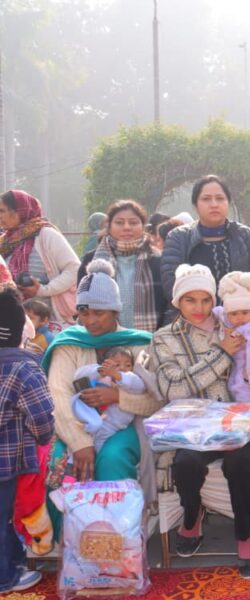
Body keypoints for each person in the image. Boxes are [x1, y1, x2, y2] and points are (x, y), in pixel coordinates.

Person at [151, 263, 250, 578]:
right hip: (193, 429)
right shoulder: (165, 338)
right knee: (186, 463)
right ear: (178, 301)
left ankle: (246, 533)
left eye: (206, 300)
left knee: (240, 461)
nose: (200, 308)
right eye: (190, 300)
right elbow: (173, 389)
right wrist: (222, 354)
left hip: (236, 425)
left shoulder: (234, 322)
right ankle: (192, 517)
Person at [42, 260, 159, 486]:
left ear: (115, 311)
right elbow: (58, 395)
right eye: (83, 313)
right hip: (75, 423)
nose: (90, 321)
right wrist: (80, 443)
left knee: (113, 457)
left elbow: (156, 400)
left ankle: (118, 509)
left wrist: (118, 397)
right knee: (57, 459)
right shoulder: (69, 344)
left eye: (99, 313)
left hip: (124, 425)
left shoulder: (139, 344)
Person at [0, 289, 54, 593]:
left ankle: (10, 565)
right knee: (5, 517)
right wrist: (42, 438)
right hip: (9, 461)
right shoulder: (23, 367)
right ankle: (6, 576)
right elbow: (42, 415)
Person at [161, 175, 250, 312]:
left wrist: (238, 314)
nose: (214, 204)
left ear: (228, 203)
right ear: (195, 205)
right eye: (206, 199)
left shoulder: (245, 235)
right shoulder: (178, 238)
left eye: (220, 198)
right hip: (193, 320)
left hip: (239, 320)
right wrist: (200, 315)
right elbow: (171, 282)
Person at [79, 199, 167, 332]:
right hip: (103, 339)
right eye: (119, 222)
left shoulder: (158, 261)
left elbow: (167, 305)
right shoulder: (91, 261)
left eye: (133, 222)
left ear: (143, 226)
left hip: (151, 339)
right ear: (109, 226)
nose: (126, 227)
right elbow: (82, 306)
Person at [0, 190, 81, 328]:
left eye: (2, 211)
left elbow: (74, 270)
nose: (0, 216)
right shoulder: (4, 241)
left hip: (48, 321)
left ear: (20, 211)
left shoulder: (46, 235)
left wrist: (43, 290)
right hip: (14, 321)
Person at [70, 347, 146, 453]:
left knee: (99, 448)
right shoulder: (102, 376)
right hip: (91, 419)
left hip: (112, 426)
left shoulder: (130, 379)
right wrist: (100, 371)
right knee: (78, 445)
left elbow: (140, 387)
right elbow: (78, 375)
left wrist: (118, 376)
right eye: (116, 365)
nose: (122, 368)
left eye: (128, 365)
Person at [213, 271, 250, 403]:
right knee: (231, 383)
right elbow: (219, 312)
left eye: (245, 313)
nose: (240, 317)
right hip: (240, 358)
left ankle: (246, 407)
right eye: (234, 314)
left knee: (242, 387)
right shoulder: (226, 316)